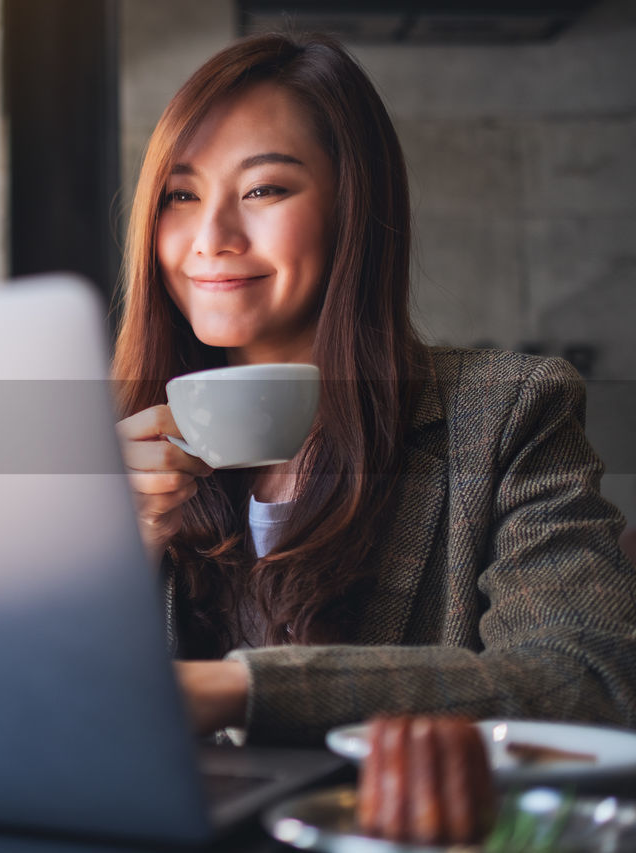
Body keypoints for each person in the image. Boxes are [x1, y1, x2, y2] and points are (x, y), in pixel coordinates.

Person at [111, 32, 636, 746]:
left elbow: (587, 681)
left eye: (264, 188)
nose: (211, 235)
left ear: (351, 206)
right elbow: (21, 702)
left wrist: (247, 687)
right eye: (180, 194)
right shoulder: (116, 440)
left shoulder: (508, 411)